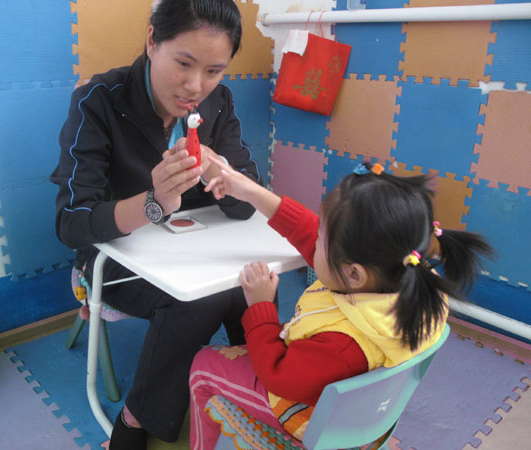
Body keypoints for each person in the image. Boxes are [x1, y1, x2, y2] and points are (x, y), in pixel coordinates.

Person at [50, 1, 261, 448]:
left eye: (214, 70)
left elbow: (245, 209)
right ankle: (134, 420)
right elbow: (71, 223)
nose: (195, 86)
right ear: (152, 40)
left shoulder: (217, 104)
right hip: (115, 260)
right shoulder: (99, 101)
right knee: (202, 298)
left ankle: (264, 389)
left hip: (191, 249)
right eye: (183, 64)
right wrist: (153, 203)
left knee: (252, 279)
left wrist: (224, 175)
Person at [189, 160, 493, 449]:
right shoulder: (403, 276)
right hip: (366, 415)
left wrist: (260, 307)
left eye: (322, 239)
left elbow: (277, 377)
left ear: (353, 273)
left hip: (307, 414)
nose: (315, 240)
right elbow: (310, 235)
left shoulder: (342, 345)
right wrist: (253, 193)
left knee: (203, 366)